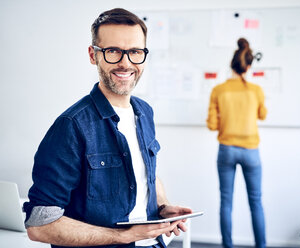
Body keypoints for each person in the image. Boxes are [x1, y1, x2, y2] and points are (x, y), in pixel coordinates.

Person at [23, 8, 192, 248]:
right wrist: (123, 236)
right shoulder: (71, 126)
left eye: (135, 52)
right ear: (93, 55)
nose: (125, 63)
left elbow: (146, 174)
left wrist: (162, 206)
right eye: (113, 51)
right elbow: (40, 224)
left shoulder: (144, 112)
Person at [206, 38, 267, 248]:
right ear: (248, 66)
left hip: (226, 150)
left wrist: (227, 119)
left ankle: (227, 246)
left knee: (226, 201)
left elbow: (212, 125)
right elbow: (263, 114)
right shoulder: (256, 90)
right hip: (251, 151)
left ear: (232, 65)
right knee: (256, 202)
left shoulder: (219, 90)